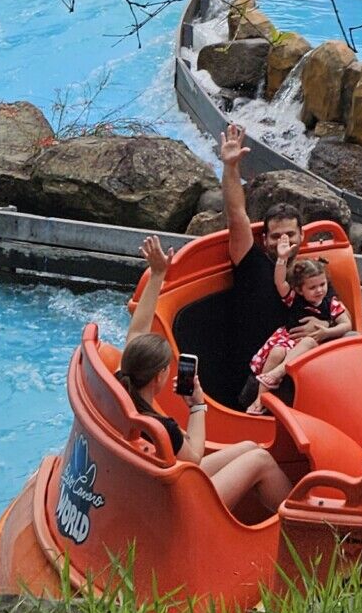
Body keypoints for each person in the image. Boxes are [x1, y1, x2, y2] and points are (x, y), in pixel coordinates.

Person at [115, 330, 292, 518]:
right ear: (159, 376)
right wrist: (197, 405)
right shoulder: (162, 428)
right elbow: (194, 459)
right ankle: (302, 525)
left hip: (155, 489)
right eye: (168, 368)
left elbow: (136, 329)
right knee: (260, 460)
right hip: (180, 509)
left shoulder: (118, 390)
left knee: (250, 447)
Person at [217, 124, 309, 399]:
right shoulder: (251, 262)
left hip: (300, 375)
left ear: (302, 236)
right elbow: (236, 215)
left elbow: (342, 317)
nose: (283, 241)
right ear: (264, 239)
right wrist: (231, 168)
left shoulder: (311, 273)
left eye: (290, 235)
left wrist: (325, 330)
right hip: (251, 374)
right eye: (276, 236)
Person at [250, 254, 350, 403]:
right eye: (312, 287)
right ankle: (260, 397)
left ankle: (278, 372)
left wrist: (327, 332)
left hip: (312, 344)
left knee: (307, 342)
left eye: (322, 285)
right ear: (300, 289)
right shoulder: (294, 299)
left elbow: (347, 324)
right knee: (276, 352)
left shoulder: (331, 304)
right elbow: (280, 282)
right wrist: (282, 259)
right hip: (289, 341)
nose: (319, 290)